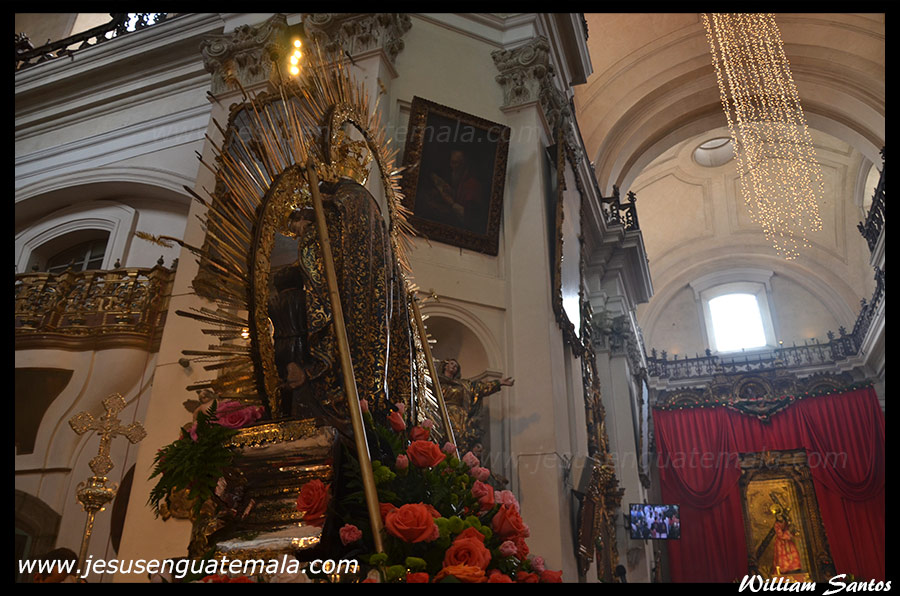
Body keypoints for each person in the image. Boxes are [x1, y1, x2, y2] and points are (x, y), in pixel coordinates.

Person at [438, 358, 513, 456]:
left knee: (459, 438)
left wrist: (498, 383)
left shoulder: (463, 385)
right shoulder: (436, 381)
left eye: (456, 366)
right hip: (440, 413)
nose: (454, 367)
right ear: (445, 365)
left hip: (459, 416)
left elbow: (480, 388)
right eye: (452, 364)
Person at [423, 149, 488, 234]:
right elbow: (461, 197)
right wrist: (452, 192)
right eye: (451, 162)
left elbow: (470, 218)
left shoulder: (473, 185)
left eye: (455, 163)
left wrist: (452, 203)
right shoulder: (462, 179)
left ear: (463, 165)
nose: (452, 166)